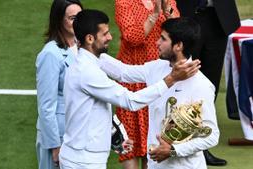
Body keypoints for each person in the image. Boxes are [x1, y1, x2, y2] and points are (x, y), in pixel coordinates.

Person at [59, 9, 200, 169]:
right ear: (90, 39)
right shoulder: (87, 72)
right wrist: (171, 79)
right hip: (83, 161)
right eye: (105, 34)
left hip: (84, 156)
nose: (110, 37)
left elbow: (123, 72)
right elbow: (130, 101)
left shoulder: (92, 58)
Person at [99, 17, 219, 169]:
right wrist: (86, 50)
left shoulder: (202, 85)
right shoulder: (157, 68)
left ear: (178, 46)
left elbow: (211, 135)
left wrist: (174, 150)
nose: (157, 43)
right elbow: (123, 72)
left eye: (163, 39)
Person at [114, 0, 179, 168]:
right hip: (132, 77)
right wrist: (155, 15)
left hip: (159, 77)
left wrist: (168, 12)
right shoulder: (124, 2)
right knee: (130, 139)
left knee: (156, 135)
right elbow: (133, 38)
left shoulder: (168, 1)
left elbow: (179, 31)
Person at [175, 0, 241, 166]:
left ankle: (200, 147)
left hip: (218, 18)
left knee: (210, 85)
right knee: (185, 81)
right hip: (187, 15)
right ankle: (178, 142)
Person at [35, 0, 82, 169]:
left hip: (78, 133)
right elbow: (46, 106)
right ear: (59, 21)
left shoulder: (84, 48)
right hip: (59, 137)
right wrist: (55, 146)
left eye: (80, 17)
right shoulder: (50, 54)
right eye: (71, 18)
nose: (77, 23)